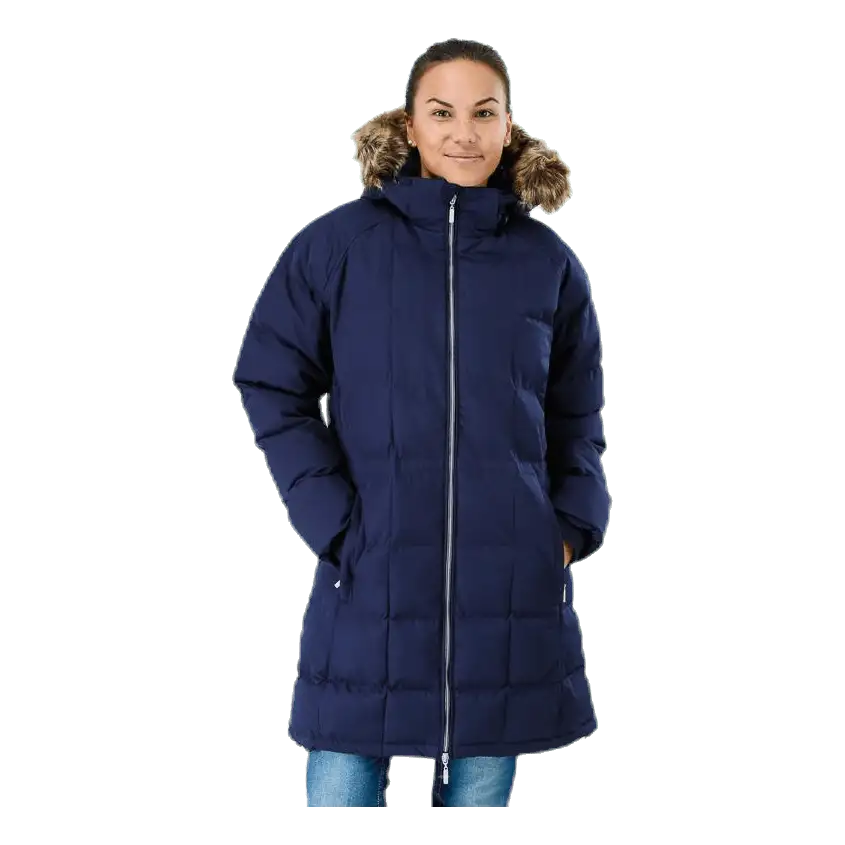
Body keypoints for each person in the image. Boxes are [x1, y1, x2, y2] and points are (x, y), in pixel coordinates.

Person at [233, 37, 610, 808]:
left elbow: (576, 411)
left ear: (508, 127)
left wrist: (568, 527)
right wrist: (332, 519)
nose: (463, 133)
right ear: (408, 125)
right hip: (370, 572)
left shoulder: (545, 263)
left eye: (484, 113)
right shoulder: (338, 245)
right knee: (340, 786)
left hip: (505, 589)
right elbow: (271, 379)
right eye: (441, 113)